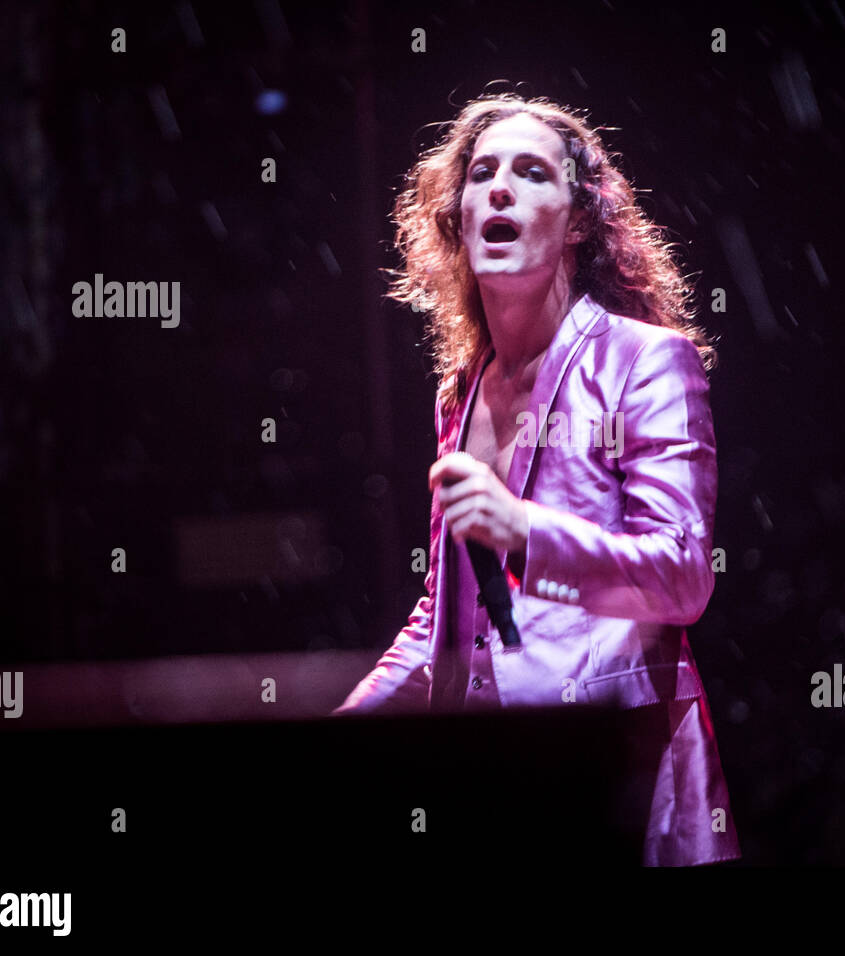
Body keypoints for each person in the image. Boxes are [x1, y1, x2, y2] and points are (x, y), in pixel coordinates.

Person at [333, 93, 741, 866]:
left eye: (530, 172)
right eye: (482, 172)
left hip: (623, 781)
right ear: (456, 218)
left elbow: (683, 578)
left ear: (579, 219)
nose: (499, 188)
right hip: (498, 786)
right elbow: (448, 617)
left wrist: (520, 529)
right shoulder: (461, 390)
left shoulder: (644, 360)